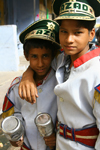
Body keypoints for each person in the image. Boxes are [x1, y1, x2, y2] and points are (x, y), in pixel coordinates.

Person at [18, 0, 100, 149]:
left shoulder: (96, 71)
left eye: (78, 32)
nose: (69, 39)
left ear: (91, 34)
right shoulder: (62, 59)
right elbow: (40, 63)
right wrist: (27, 76)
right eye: (63, 31)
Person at [2, 19, 61, 150]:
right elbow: (15, 113)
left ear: (53, 56)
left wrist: (58, 134)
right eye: (34, 56)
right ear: (26, 55)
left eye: (45, 56)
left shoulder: (60, 82)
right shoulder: (16, 87)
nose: (40, 63)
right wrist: (16, 134)